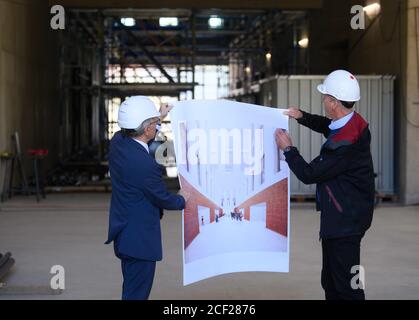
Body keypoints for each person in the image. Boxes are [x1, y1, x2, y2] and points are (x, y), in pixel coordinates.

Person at [275, 70, 374, 300]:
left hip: (346, 222)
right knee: (330, 280)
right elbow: (328, 126)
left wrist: (289, 149)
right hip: (345, 216)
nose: (323, 101)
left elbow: (309, 174)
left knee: (348, 287)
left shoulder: (344, 145)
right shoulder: (353, 123)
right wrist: (302, 116)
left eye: (325, 97)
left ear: (333, 103)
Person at [105, 96, 190, 300]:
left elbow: (136, 131)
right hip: (138, 241)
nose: (157, 125)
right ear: (146, 129)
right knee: (136, 294)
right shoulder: (145, 165)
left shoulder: (118, 143)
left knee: (132, 287)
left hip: (124, 232)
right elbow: (162, 198)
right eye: (154, 122)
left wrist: (158, 116)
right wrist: (182, 199)